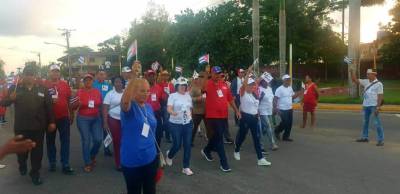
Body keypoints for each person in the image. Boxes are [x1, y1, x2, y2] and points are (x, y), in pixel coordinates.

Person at [0, 65, 56, 185]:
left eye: (32, 74)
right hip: (21, 127)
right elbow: (3, 103)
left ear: (35, 76)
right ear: (23, 76)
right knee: (21, 151)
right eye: (27, 74)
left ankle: (35, 173)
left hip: (38, 127)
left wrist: (52, 122)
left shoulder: (42, 89)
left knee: (37, 152)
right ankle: (22, 163)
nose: (30, 77)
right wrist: (10, 99)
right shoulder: (15, 88)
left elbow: (49, 107)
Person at [120, 78, 158, 194]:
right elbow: (124, 103)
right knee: (134, 191)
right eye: (142, 91)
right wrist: (133, 78)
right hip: (133, 160)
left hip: (151, 158)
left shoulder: (148, 107)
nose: (146, 94)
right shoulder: (130, 109)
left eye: (147, 91)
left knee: (150, 190)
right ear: (134, 91)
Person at [201, 66, 241, 172]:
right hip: (212, 116)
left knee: (216, 136)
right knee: (219, 139)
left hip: (223, 116)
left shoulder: (224, 85)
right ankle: (224, 163)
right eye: (216, 73)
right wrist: (206, 74)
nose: (218, 75)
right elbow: (202, 88)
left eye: (219, 73)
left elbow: (230, 99)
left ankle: (206, 150)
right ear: (212, 74)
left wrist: (236, 110)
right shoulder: (208, 83)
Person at [233, 66, 271, 166]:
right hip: (245, 117)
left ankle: (260, 159)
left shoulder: (254, 95)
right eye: (249, 85)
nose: (251, 86)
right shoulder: (243, 93)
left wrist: (257, 114)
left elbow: (255, 107)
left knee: (256, 138)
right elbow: (244, 84)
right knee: (242, 136)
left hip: (254, 118)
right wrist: (248, 72)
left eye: (252, 85)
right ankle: (236, 150)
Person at [43, 64, 75, 175]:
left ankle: (65, 164)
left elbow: (70, 99)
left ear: (59, 73)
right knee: (50, 141)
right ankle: (52, 162)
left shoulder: (65, 85)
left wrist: (71, 114)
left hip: (63, 117)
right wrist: (50, 102)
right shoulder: (45, 85)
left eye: (57, 71)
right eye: (53, 71)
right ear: (49, 73)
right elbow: (40, 101)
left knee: (65, 141)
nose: (55, 73)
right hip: (49, 119)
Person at [71, 73, 103, 172]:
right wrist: (77, 104)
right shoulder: (79, 92)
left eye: (90, 80)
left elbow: (101, 105)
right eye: (86, 80)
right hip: (83, 119)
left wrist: (104, 119)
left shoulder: (97, 92)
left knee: (98, 140)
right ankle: (87, 163)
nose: (88, 81)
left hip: (96, 118)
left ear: (93, 81)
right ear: (83, 82)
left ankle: (92, 155)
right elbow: (73, 106)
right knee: (86, 140)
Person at [165, 77, 194, 176]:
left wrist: (191, 118)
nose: (183, 87)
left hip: (187, 124)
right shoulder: (172, 96)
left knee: (187, 145)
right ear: (177, 86)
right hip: (175, 124)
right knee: (177, 145)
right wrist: (172, 112)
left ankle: (186, 167)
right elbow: (169, 108)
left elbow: (190, 108)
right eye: (181, 85)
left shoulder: (188, 96)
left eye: (185, 85)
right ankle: (169, 155)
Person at [351, 68, 384, 146]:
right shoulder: (366, 82)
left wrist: (378, 107)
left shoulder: (379, 84)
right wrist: (352, 72)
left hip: (374, 106)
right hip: (366, 106)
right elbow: (354, 80)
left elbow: (380, 96)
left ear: (374, 74)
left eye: (369, 74)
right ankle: (364, 137)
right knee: (365, 122)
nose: (367, 75)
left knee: (377, 123)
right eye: (367, 74)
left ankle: (380, 140)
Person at [103, 76, 124, 171]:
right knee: (117, 141)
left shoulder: (126, 93)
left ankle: (126, 160)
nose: (118, 83)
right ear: (113, 83)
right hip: (113, 119)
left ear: (123, 83)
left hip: (125, 120)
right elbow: (105, 109)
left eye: (120, 82)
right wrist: (105, 122)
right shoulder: (110, 94)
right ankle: (118, 163)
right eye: (116, 82)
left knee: (125, 141)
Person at [273, 74, 302, 142]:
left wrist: (299, 93)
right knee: (285, 122)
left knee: (289, 123)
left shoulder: (290, 88)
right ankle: (277, 130)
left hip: (289, 108)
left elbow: (292, 97)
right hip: (282, 109)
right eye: (287, 80)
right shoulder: (279, 89)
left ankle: (286, 136)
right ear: (283, 80)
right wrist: (276, 108)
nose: (288, 81)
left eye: (289, 80)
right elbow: (275, 99)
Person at [93, 70, 113, 156]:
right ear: (97, 75)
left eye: (103, 74)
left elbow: (111, 96)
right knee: (96, 131)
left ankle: (106, 148)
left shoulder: (108, 86)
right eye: (100, 74)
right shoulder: (93, 85)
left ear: (105, 76)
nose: (101, 76)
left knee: (106, 131)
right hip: (96, 110)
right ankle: (95, 148)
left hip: (105, 110)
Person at [258, 72, 279, 151]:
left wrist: (275, 107)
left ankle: (260, 138)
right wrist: (261, 97)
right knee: (268, 126)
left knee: (265, 128)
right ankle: (272, 144)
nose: (267, 82)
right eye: (265, 81)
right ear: (262, 81)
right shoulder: (259, 88)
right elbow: (256, 101)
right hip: (262, 110)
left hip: (269, 110)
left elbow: (272, 99)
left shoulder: (269, 89)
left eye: (268, 81)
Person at [144, 70, 164, 145]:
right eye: (150, 76)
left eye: (153, 76)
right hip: (145, 115)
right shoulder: (143, 88)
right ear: (147, 77)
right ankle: (146, 150)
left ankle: (157, 152)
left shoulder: (159, 88)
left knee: (158, 133)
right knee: (145, 133)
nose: (152, 78)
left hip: (156, 114)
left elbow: (161, 101)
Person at [190, 72, 208, 145]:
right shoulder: (193, 88)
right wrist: (198, 98)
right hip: (197, 111)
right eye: (198, 78)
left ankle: (210, 140)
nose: (200, 79)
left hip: (205, 110)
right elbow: (190, 98)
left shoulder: (204, 87)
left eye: (201, 78)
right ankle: (190, 141)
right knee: (194, 128)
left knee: (209, 127)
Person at [158, 70, 175, 143]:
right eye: (163, 75)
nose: (165, 76)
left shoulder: (171, 85)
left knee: (166, 121)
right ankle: (161, 132)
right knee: (161, 120)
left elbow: (174, 94)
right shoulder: (159, 84)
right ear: (161, 76)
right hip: (160, 104)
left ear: (168, 76)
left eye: (166, 75)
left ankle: (167, 136)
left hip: (167, 104)